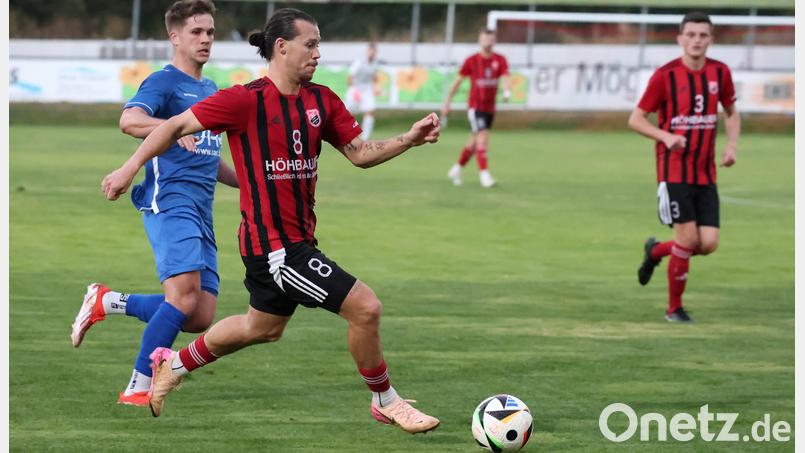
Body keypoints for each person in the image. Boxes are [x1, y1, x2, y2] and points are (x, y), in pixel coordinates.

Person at [101, 8, 441, 434]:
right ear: (281, 47)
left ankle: (175, 364)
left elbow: (359, 153)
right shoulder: (244, 100)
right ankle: (385, 401)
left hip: (298, 240)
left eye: (319, 45)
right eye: (310, 44)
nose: (317, 54)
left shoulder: (322, 100)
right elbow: (173, 126)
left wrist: (408, 139)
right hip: (274, 248)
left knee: (261, 327)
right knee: (365, 308)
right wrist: (128, 168)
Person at [70, 0, 238, 406]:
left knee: (199, 314)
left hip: (202, 208)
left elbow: (208, 155)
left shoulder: (211, 89)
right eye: (196, 32)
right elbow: (129, 120)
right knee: (182, 297)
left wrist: (251, 185)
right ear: (174, 37)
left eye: (210, 32)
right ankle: (138, 385)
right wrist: (170, 128)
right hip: (170, 201)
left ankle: (106, 301)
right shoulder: (164, 83)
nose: (205, 39)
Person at [629, 11, 740, 323]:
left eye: (703, 35)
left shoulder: (720, 72)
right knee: (688, 240)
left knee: (708, 244)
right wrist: (666, 137)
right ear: (680, 39)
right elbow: (635, 119)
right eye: (690, 34)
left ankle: (655, 252)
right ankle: (674, 309)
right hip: (674, 171)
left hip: (706, 172)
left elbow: (732, 112)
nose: (696, 40)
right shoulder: (665, 76)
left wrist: (731, 146)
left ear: (711, 40)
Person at [442, 29, 511, 188]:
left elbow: (506, 77)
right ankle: (484, 175)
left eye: (490, 39)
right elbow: (458, 81)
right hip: (475, 107)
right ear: (480, 40)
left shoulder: (500, 59)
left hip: (490, 108)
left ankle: (456, 169)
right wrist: (447, 102)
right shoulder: (472, 60)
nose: (487, 42)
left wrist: (507, 91)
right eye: (484, 39)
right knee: (483, 136)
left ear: (494, 41)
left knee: (474, 142)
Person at [344, 42, 380, 140]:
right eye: (371, 51)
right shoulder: (359, 62)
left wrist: (376, 87)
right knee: (349, 113)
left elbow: (375, 78)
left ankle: (365, 138)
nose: (372, 53)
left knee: (370, 111)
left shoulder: (375, 63)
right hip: (355, 89)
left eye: (374, 51)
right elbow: (350, 77)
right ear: (367, 51)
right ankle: (348, 134)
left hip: (367, 90)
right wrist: (354, 90)